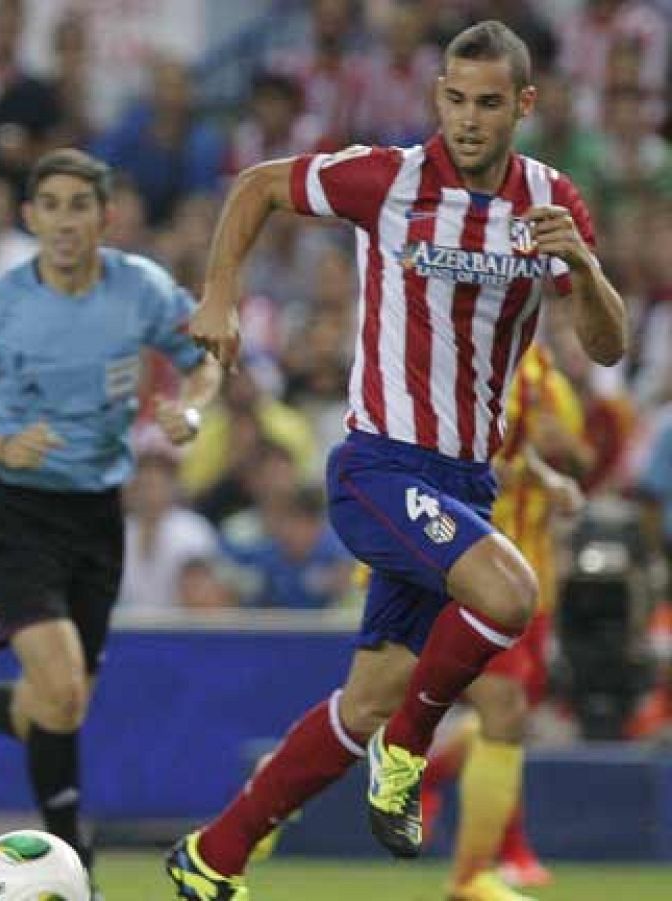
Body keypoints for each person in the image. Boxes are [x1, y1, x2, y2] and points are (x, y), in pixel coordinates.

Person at [166, 21, 628, 901]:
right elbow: (261, 184)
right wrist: (219, 293)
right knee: (509, 594)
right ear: (436, 97)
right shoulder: (390, 178)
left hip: (465, 481)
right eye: (454, 99)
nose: (467, 119)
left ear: (523, 106)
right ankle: (409, 752)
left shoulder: (549, 201)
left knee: (369, 696)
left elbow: (606, 348)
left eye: (489, 103)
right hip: (379, 465)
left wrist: (585, 266)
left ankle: (213, 854)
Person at [0, 148, 223, 893]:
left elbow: (208, 356)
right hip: (16, 508)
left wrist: (190, 406)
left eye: (80, 205)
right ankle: (74, 864)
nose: (65, 221)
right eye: (51, 206)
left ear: (108, 215)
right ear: (30, 217)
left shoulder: (143, 290)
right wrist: (0, 443)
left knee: (58, 703)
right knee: (60, 686)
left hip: (99, 513)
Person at [421, 344, 587, 899]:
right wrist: (533, 471)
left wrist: (556, 471)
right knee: (501, 705)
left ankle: (435, 779)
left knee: (510, 710)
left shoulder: (540, 365)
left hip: (531, 569)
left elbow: (563, 454)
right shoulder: (461, 352)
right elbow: (458, 459)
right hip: (472, 561)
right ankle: (492, 860)